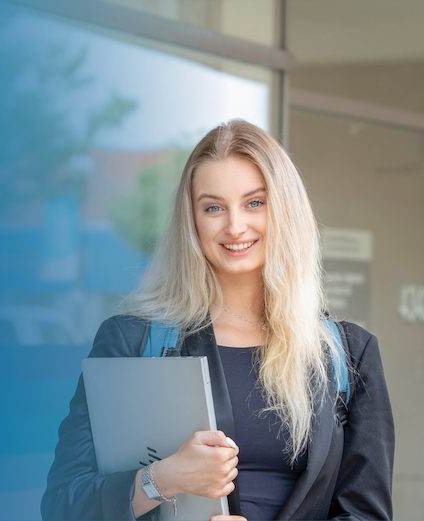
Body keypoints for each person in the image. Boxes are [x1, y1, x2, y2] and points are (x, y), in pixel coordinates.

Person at [42, 120, 394, 520]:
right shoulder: (132, 342)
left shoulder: (349, 355)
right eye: (213, 207)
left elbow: (366, 515)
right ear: (191, 220)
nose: (235, 226)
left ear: (286, 210)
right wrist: (163, 479)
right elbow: (62, 505)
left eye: (254, 203)